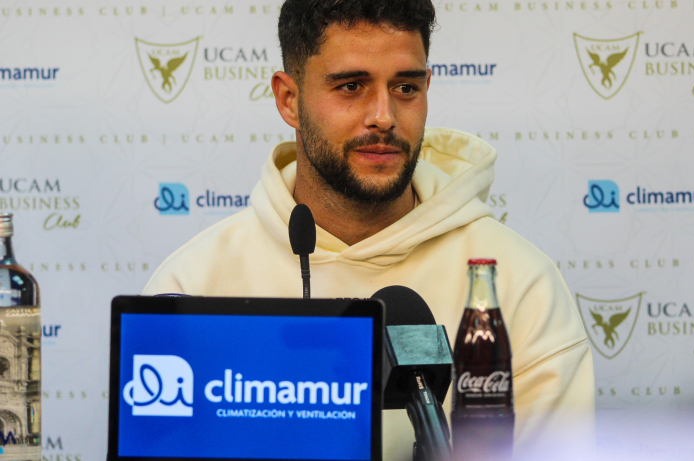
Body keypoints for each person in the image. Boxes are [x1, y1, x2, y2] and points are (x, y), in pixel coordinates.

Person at [144, 0, 595, 458]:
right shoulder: (191, 285)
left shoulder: (518, 282)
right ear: (289, 99)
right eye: (352, 86)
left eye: (405, 87)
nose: (384, 116)